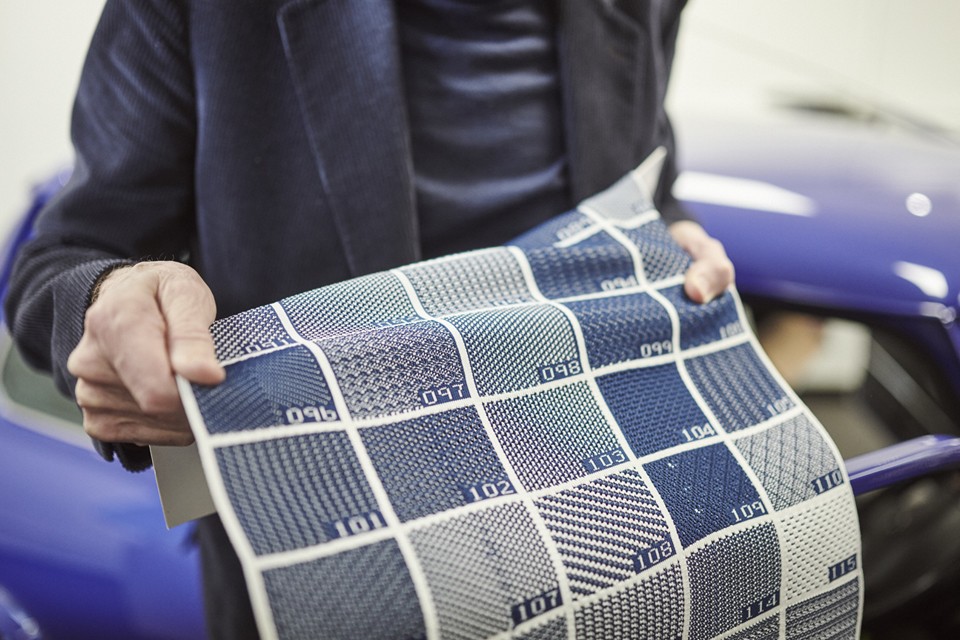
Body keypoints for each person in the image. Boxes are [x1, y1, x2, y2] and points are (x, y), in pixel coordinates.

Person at [4, 0, 734, 637]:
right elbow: (61, 257)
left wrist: (670, 230)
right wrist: (107, 299)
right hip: (321, 568)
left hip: (592, 530)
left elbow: (648, 176)